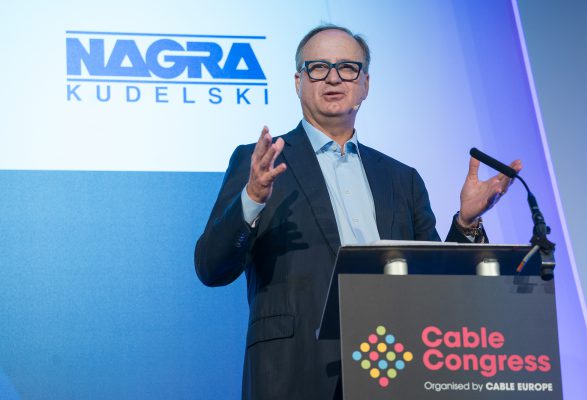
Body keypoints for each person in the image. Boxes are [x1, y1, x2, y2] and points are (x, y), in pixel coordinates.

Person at [195, 24, 521, 399]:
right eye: (318, 67)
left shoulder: (403, 179)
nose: (333, 77)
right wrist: (252, 197)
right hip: (294, 371)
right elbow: (211, 267)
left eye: (348, 68)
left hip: (396, 367)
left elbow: (437, 287)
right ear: (298, 81)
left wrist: (466, 222)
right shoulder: (261, 163)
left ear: (365, 84)